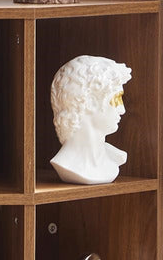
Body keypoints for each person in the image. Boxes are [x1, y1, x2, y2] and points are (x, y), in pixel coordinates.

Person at [50, 55, 132, 184]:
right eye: (116, 99)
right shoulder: (65, 164)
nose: (122, 109)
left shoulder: (116, 157)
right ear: (90, 103)